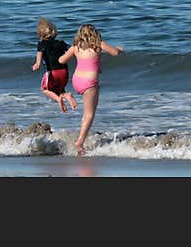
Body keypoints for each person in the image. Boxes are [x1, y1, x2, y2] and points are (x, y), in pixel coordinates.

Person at [58, 24, 124, 156]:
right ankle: (80, 141)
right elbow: (115, 53)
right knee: (89, 114)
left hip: (77, 81)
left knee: (86, 113)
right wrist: (119, 49)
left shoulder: (76, 47)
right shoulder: (98, 43)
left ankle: (81, 139)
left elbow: (61, 60)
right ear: (94, 33)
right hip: (89, 83)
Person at [31, 18, 77, 113]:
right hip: (64, 72)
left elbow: (38, 61)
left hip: (52, 73)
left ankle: (58, 99)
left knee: (44, 89)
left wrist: (36, 64)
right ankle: (66, 95)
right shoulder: (61, 43)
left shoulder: (41, 45)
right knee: (59, 90)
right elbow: (72, 50)